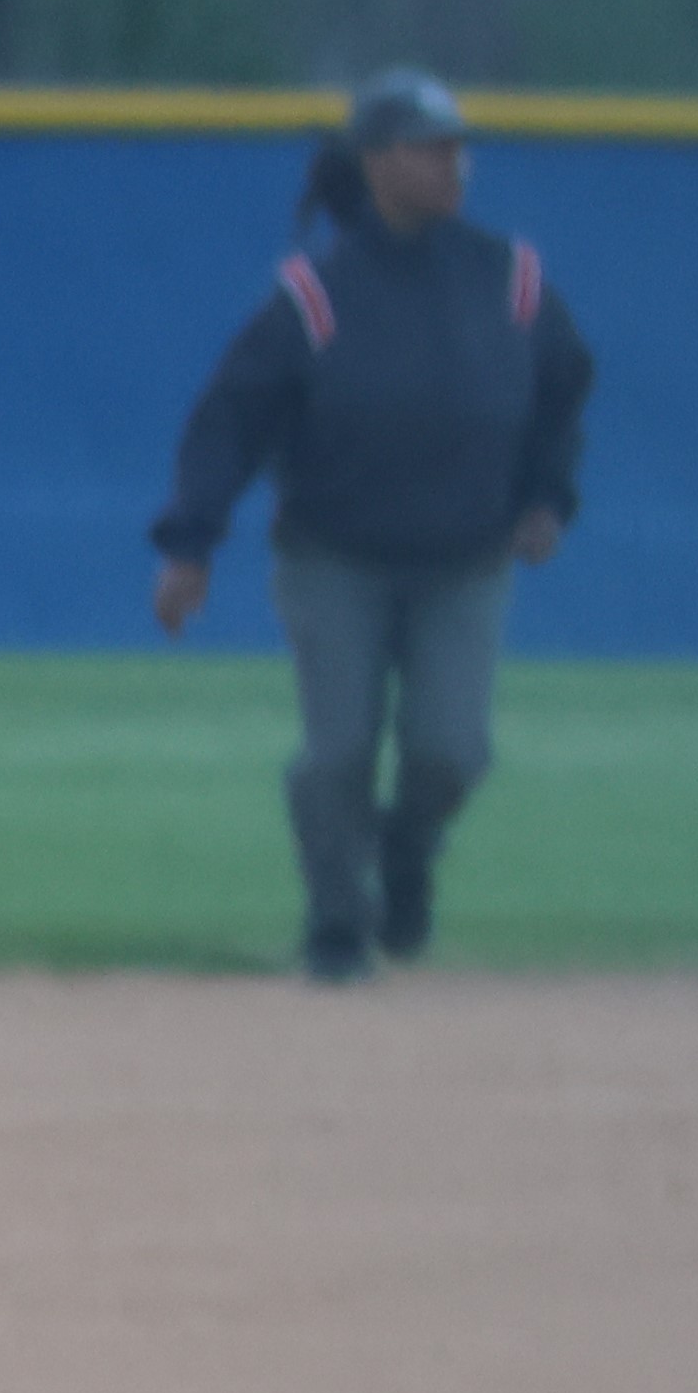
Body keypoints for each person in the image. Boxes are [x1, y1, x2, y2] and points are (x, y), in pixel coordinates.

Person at [148, 67, 591, 982]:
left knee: (450, 751)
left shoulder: (509, 279)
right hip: (334, 556)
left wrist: (547, 497)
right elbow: (230, 420)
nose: (454, 165)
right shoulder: (315, 294)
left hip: (464, 560)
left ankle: (407, 847)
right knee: (339, 751)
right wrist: (190, 544)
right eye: (433, 149)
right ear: (380, 162)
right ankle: (337, 924)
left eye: (459, 150)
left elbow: (562, 390)